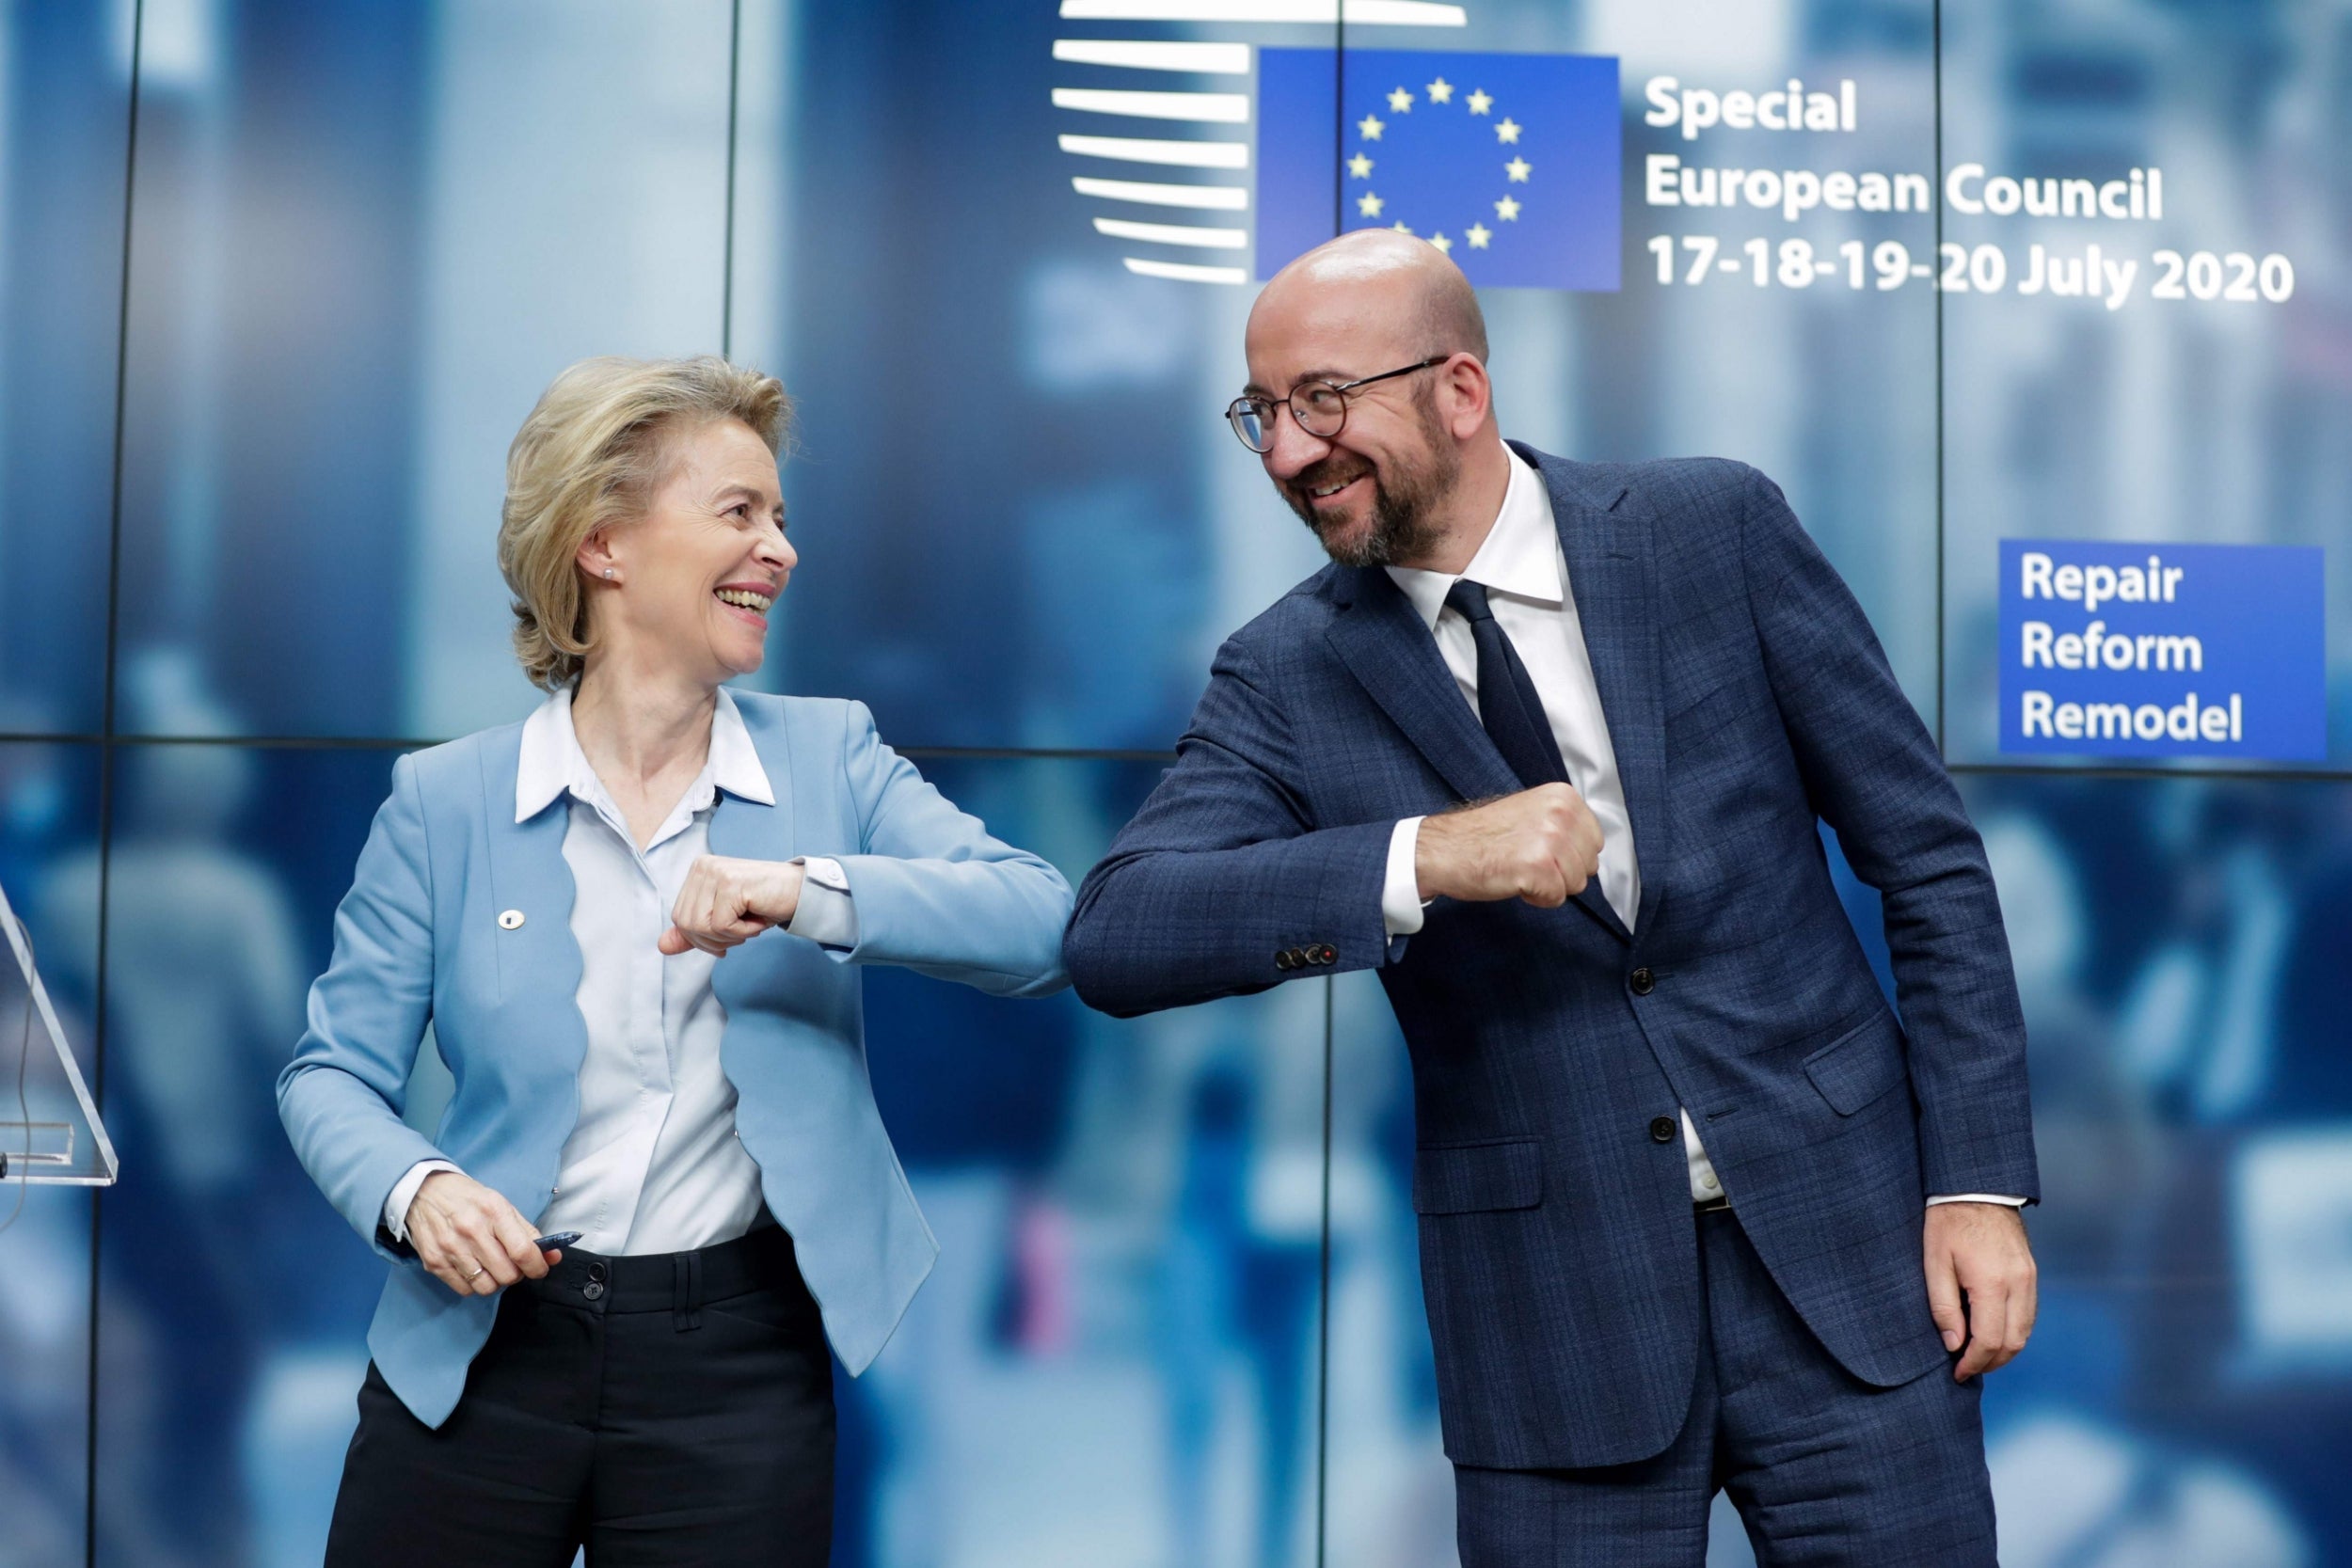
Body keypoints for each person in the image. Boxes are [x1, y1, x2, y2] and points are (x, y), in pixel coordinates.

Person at [1063, 231, 2040, 1565]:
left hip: (1852, 1275)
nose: (1291, 452)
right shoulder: (1283, 675)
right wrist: (1422, 859)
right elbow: (1119, 934)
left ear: (1460, 389)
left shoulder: (1715, 530)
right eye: (1265, 415)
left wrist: (1976, 1185)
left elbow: (1924, 854)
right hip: (1554, 1340)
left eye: (1325, 401)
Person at [279, 355, 1072, 1566]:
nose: (781, 551)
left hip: (737, 1368)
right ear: (605, 545)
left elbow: (1039, 923)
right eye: (738, 512)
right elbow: (329, 1075)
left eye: (783, 517)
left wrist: (805, 890)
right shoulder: (443, 804)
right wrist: (416, 1191)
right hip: (479, 1350)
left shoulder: (833, 759)